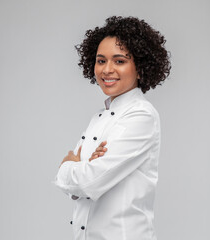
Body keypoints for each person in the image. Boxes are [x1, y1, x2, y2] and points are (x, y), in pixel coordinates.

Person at [54, 16, 171, 240]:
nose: (107, 70)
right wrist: (84, 172)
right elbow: (82, 188)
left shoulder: (141, 115)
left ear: (140, 67)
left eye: (119, 61)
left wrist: (68, 167)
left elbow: (88, 182)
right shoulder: (98, 118)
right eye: (101, 61)